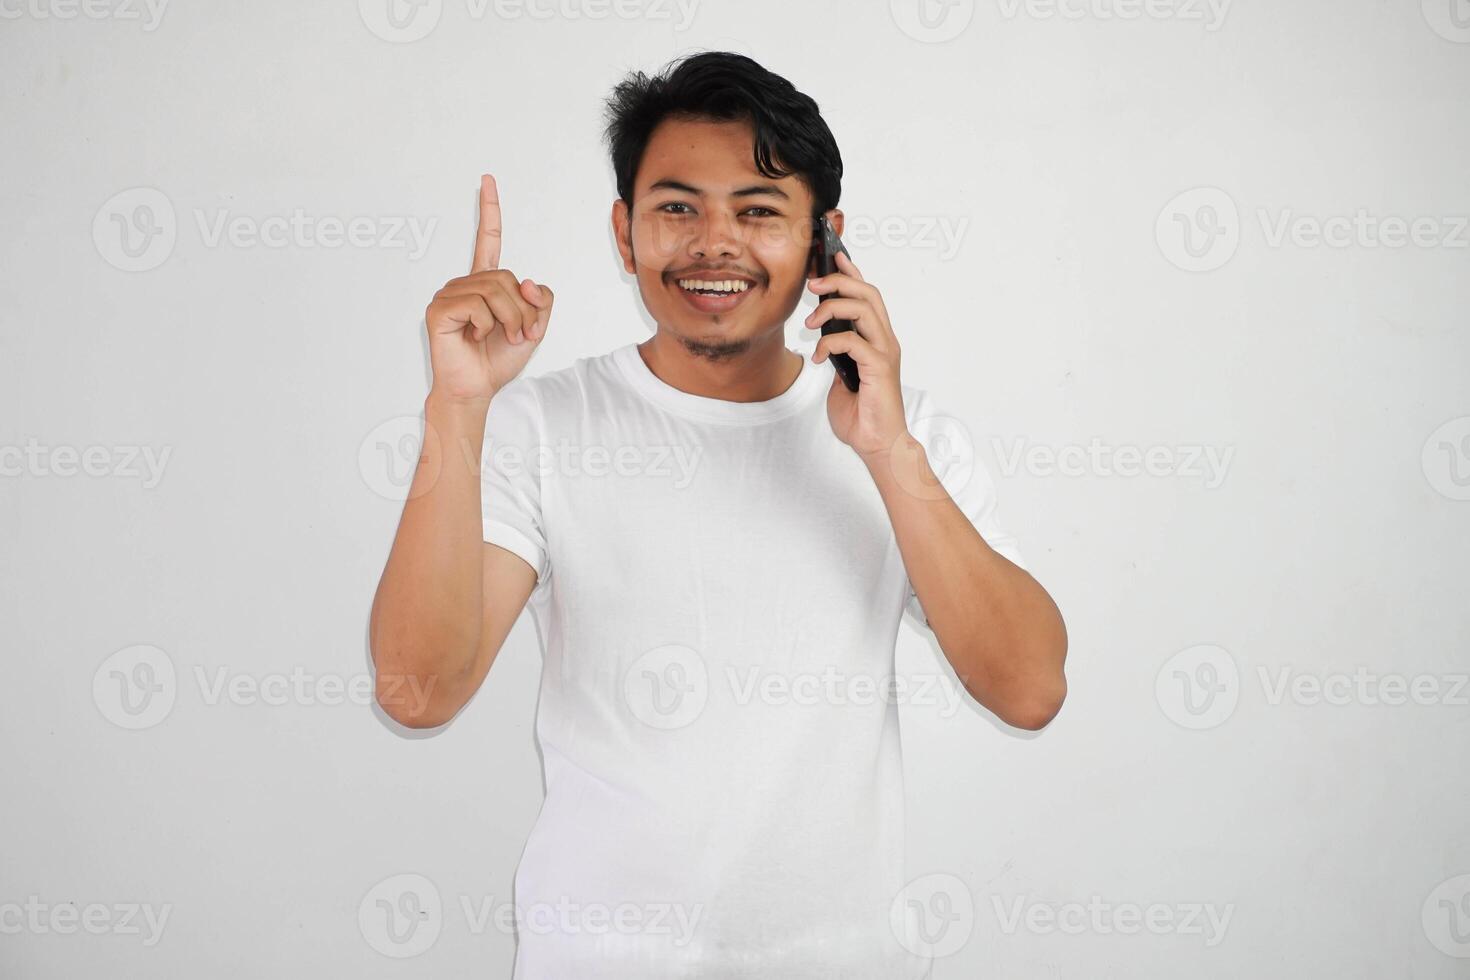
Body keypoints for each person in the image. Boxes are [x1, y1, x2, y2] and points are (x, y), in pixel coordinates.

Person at [369, 50, 1068, 979]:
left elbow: (1029, 690)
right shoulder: (541, 425)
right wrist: (455, 407)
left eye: (759, 210)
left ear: (826, 240)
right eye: (677, 208)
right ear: (625, 235)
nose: (714, 242)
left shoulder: (904, 436)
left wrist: (888, 449)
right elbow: (419, 692)